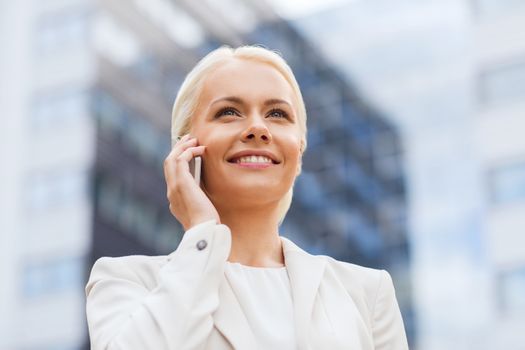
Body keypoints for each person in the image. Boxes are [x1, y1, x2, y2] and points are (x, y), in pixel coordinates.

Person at [85, 45, 409, 350]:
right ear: (186, 149)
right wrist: (201, 230)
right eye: (229, 112)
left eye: (277, 114)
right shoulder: (127, 280)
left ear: (299, 151)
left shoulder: (367, 292)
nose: (257, 128)